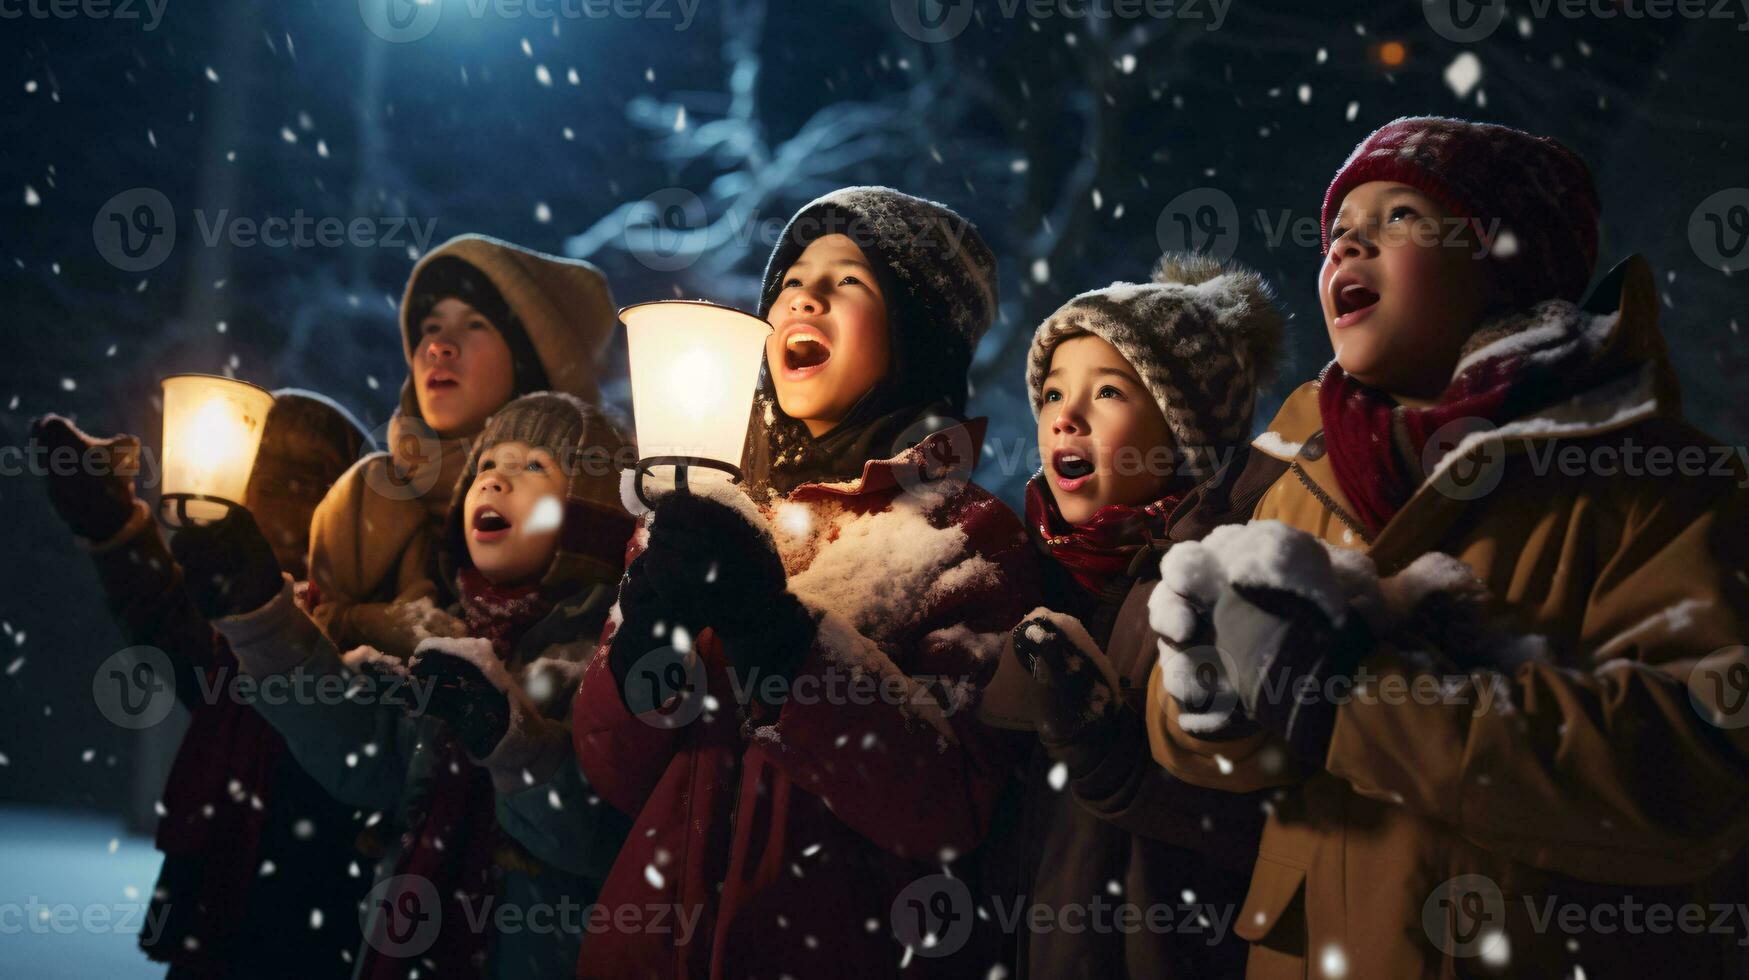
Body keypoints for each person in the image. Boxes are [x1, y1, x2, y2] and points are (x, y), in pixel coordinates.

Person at [1146, 116, 1749, 977]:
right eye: (1336, 231)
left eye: (1396, 217)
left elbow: (1696, 767)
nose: (1348, 242)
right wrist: (1206, 698)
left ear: (1506, 261)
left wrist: (1352, 697)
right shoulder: (1293, 471)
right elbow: (1189, 744)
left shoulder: (1657, 479)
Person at [571, 187, 1041, 978]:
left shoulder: (963, 536)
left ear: (916, 339)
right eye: (789, 277)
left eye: (848, 280)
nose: (804, 292)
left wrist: (781, 640)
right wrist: (645, 655)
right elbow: (614, 774)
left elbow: (948, 802)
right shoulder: (701, 520)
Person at [170, 391, 637, 980]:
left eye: (533, 467)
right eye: (486, 467)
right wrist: (264, 620)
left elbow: (605, 837)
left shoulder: (609, 657)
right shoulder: (443, 635)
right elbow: (364, 756)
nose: (494, 482)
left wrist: (510, 742)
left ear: (590, 516)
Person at [975, 253, 1286, 977]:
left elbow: (1271, 816)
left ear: (1183, 433)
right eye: (1051, 394)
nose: (1064, 417)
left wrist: (1117, 765)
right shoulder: (1025, 574)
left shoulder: (1226, 579)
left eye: (1108, 390)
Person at [32, 390, 372, 979]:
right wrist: (113, 526)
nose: (270, 500)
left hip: (320, 939)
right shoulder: (231, 634)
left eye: (298, 482)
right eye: (259, 477)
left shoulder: (364, 637)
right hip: (218, 932)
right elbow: (166, 621)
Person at [307, 235, 618, 659]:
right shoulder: (366, 498)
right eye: (430, 327)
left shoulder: (609, 515)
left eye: (476, 324)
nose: (438, 345)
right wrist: (359, 624)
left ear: (529, 361)